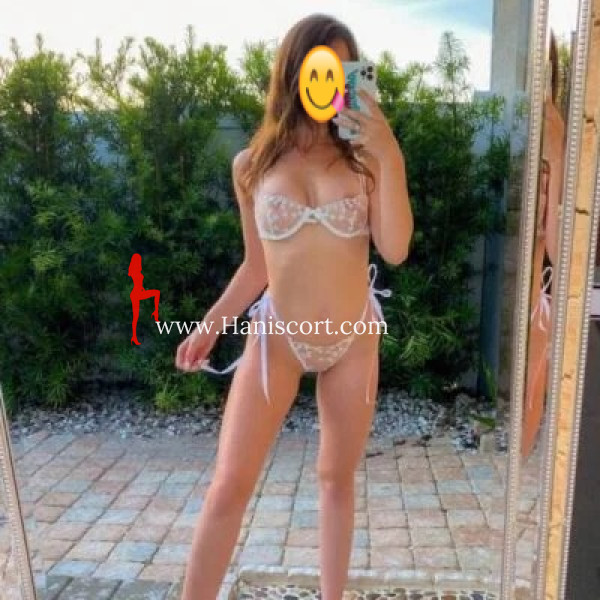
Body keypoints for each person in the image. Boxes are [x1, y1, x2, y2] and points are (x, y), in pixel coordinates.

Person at [175, 13, 413, 600]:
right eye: (319, 68)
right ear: (293, 72)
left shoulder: (366, 161)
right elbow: (257, 266)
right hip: (278, 338)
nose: (331, 82)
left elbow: (395, 248)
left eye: (343, 70)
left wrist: (389, 153)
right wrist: (210, 326)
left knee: (335, 479)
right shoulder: (251, 166)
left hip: (352, 338)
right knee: (229, 485)